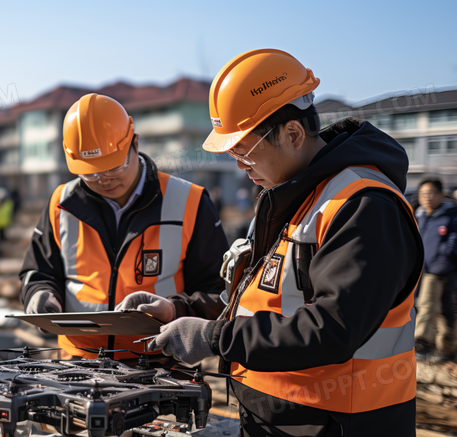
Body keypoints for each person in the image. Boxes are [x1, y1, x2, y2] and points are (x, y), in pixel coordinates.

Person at [117, 49, 424, 436]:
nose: (242, 170)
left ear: (293, 133)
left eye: (245, 155)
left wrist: (212, 338)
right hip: (277, 420)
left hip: (337, 423)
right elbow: (262, 302)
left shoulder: (363, 206)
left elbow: (332, 328)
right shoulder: (292, 197)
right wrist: (180, 309)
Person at [20, 93, 228, 360]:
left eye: (114, 166)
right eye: (91, 172)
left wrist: (176, 309)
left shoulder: (191, 202)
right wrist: (40, 293)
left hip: (159, 366)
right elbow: (38, 271)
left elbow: (221, 292)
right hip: (77, 364)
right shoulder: (61, 203)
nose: (104, 179)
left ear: (135, 143)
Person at [414, 177, 457, 362]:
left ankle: (422, 343)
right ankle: (447, 348)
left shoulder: (450, 215)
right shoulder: (419, 214)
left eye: (431, 193)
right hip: (421, 269)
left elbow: (453, 240)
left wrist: (444, 257)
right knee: (443, 311)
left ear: (440, 195)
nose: (427, 197)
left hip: (440, 270)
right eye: (424, 193)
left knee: (428, 305)